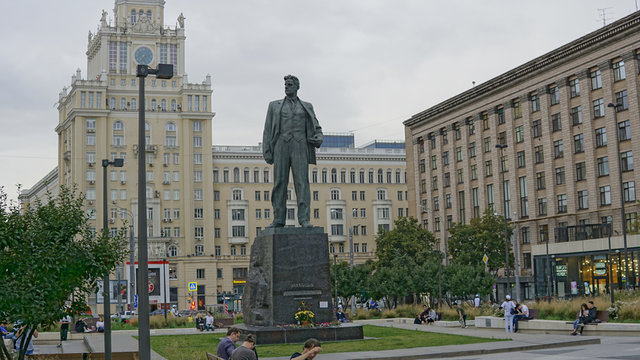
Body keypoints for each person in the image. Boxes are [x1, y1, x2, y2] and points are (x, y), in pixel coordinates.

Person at [262, 75, 323, 228]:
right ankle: (278, 219)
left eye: (289, 84)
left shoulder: (307, 106)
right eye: (285, 84)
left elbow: (316, 127)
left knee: (302, 182)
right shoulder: (274, 106)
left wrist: (319, 137)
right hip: (281, 145)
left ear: (297, 87)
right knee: (279, 183)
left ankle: (304, 219)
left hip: (300, 145)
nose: (287, 86)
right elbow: (267, 130)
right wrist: (267, 150)